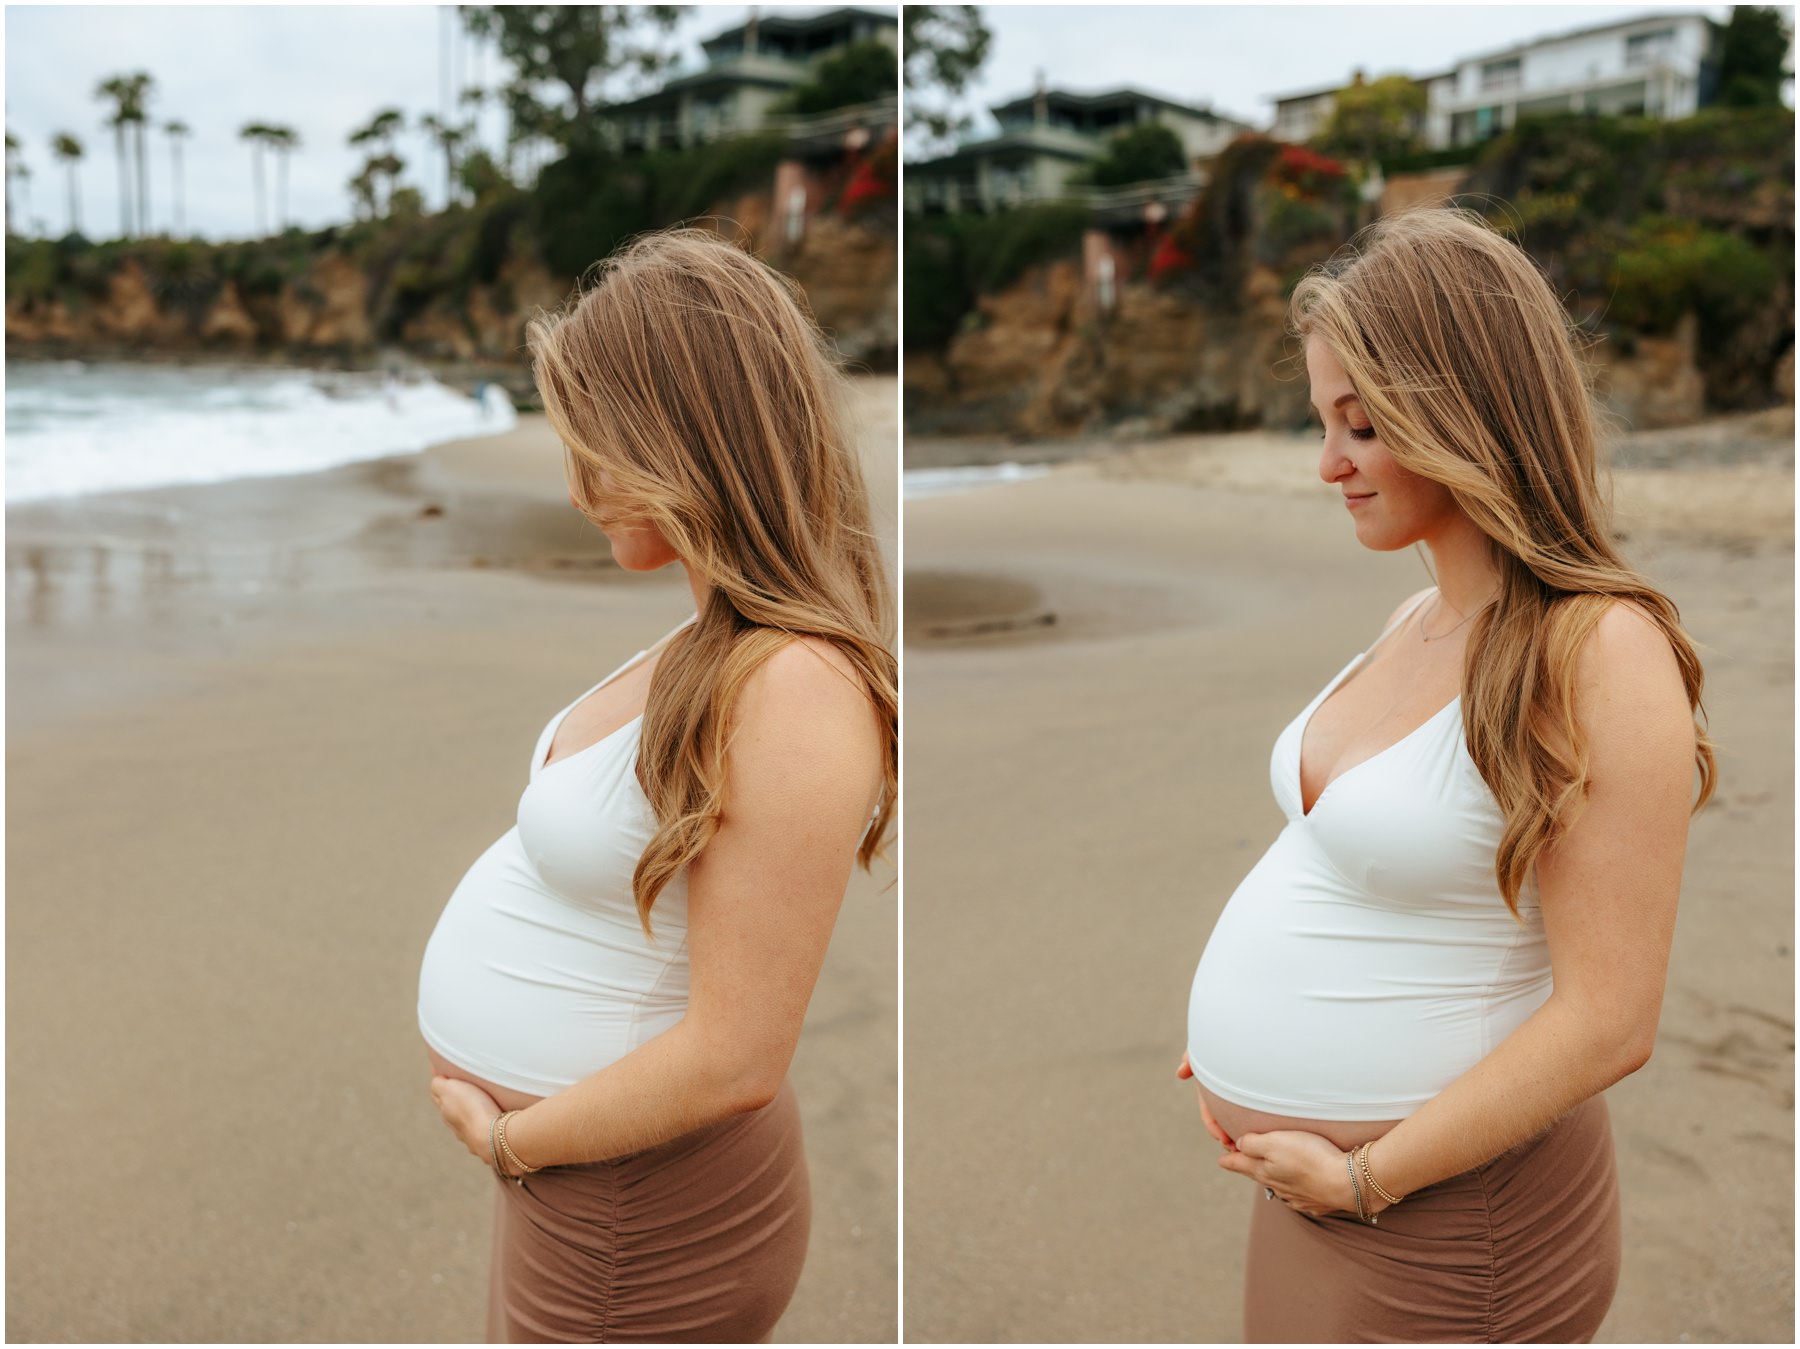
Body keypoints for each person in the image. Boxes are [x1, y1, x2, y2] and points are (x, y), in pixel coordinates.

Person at [1180, 207, 1716, 1343]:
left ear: (1460, 414)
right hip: (1323, 1194)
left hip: (1447, 1216)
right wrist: (1255, 1019)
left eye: (1360, 425)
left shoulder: (1598, 651)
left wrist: (1366, 1173)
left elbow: (1611, 1017)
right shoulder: (1414, 614)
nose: (1329, 464)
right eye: (1323, 421)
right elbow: (1354, 850)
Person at [416, 227, 896, 1343]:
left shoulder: (794, 685)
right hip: (589, 1181)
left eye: (598, 446)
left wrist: (512, 1142)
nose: (577, 486)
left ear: (691, 441)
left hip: (638, 1205)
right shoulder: (706, 642)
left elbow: (736, 1055)